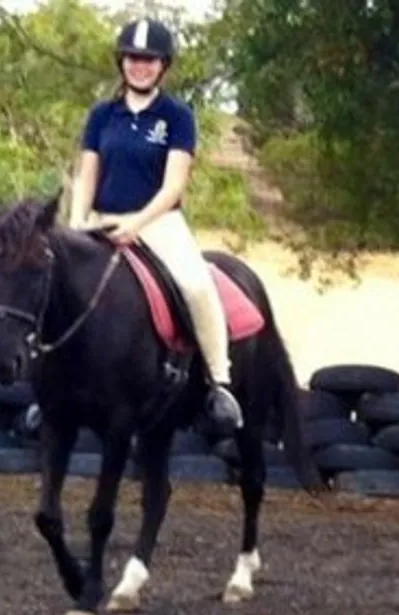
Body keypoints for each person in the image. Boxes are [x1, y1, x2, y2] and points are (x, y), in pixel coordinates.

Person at [68, 17, 242, 429]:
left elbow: (173, 184)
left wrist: (137, 223)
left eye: (148, 60)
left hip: (158, 221)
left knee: (197, 285)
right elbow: (87, 173)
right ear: (121, 62)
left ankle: (219, 382)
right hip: (101, 219)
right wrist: (77, 221)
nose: (139, 66)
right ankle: (53, 386)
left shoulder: (177, 116)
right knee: (57, 282)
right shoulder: (102, 115)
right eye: (132, 58)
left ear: (162, 65)